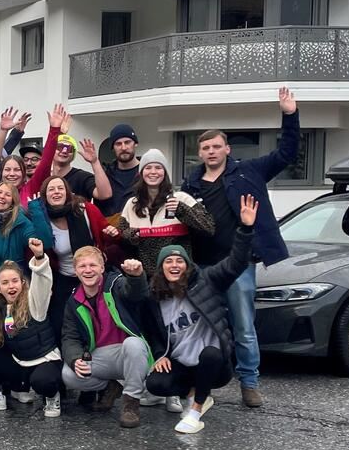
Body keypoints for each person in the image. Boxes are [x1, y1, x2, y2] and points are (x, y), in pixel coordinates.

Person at [181, 87, 299, 408]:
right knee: (204, 327)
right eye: (205, 147)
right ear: (200, 153)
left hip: (238, 264)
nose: (211, 151)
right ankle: (202, 382)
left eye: (216, 146)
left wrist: (290, 114)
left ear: (227, 149)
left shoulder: (250, 171)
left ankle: (249, 381)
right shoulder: (190, 184)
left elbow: (287, 153)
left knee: (244, 325)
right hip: (202, 267)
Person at [141, 195, 258, 433]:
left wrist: (245, 229)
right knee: (155, 383)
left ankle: (195, 410)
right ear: (161, 268)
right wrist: (158, 355)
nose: (174, 265)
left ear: (187, 265)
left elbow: (235, 263)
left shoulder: (207, 280)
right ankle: (195, 391)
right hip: (182, 363)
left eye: (179, 261)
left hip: (215, 364)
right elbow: (152, 332)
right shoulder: (155, 297)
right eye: (168, 262)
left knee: (212, 355)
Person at [0, 239, 63, 417]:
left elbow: (43, 281)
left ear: (22, 283)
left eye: (14, 281)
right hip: (19, 363)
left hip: (44, 360)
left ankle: (52, 397)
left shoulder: (35, 302)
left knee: (43, 381)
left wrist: (40, 257)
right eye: (5, 283)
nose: (11, 286)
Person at [60, 246, 154, 428]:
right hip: (101, 355)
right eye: (82, 266)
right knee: (68, 374)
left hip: (126, 352)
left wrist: (136, 276)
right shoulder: (73, 300)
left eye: (93, 265)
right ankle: (111, 385)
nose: (88, 270)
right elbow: (69, 337)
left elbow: (137, 294)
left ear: (102, 268)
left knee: (134, 344)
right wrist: (75, 358)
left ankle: (131, 403)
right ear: (75, 271)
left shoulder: (116, 284)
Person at [26, 176, 120, 342]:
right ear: (45, 195)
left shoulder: (86, 210)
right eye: (51, 189)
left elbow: (105, 233)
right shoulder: (42, 220)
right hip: (64, 277)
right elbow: (38, 252)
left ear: (67, 192)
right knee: (60, 321)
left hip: (91, 274)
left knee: (98, 320)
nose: (56, 192)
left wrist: (111, 235)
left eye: (60, 188)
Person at [118, 149, 215, 278]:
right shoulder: (132, 204)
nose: (153, 172)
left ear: (165, 172)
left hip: (179, 277)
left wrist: (181, 210)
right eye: (148, 168)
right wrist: (132, 235)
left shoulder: (181, 198)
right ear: (141, 173)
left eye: (158, 167)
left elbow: (208, 227)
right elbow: (122, 234)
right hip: (147, 279)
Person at [49, 134, 112, 204]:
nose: (64, 151)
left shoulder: (83, 177)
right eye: (60, 147)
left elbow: (105, 194)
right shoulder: (44, 177)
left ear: (73, 155)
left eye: (70, 149)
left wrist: (95, 162)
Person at [98, 124, 140, 218]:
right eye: (118, 144)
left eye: (127, 142)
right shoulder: (105, 176)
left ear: (135, 144)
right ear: (113, 148)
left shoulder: (146, 173)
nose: (123, 148)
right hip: (109, 230)